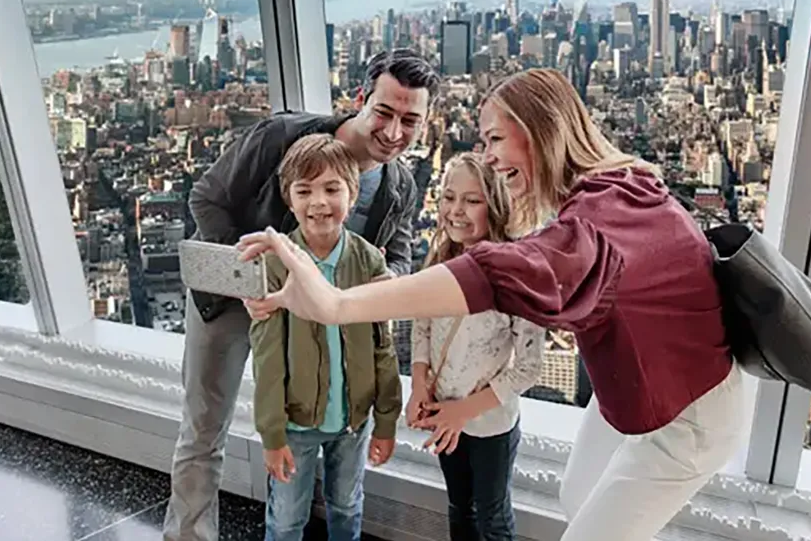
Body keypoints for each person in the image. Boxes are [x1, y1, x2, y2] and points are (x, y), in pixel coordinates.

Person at [238, 68, 746, 541]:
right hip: (639, 388)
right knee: (577, 497)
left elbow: (490, 276)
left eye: (496, 139)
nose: (491, 156)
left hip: (688, 413)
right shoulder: (623, 179)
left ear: (542, 131)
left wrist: (335, 304)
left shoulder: (589, 229)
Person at [163, 48, 438, 541]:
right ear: (360, 99)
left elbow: (398, 253)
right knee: (204, 432)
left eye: (410, 121)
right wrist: (255, 277)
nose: (394, 133)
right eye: (384, 112)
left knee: (302, 432)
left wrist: (388, 280)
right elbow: (207, 198)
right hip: (230, 302)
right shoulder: (280, 137)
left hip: (306, 323)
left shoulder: (398, 185)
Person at [251, 134, 401, 541]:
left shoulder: (369, 260)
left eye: (332, 189)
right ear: (290, 200)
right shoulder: (276, 264)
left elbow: (382, 346)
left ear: (352, 195)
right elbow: (266, 355)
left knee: (348, 506)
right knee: (285, 519)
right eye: (305, 191)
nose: (319, 202)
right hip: (295, 422)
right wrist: (271, 433)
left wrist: (386, 420)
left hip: (354, 421)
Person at [406, 153, 544, 540]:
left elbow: (529, 367)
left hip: (488, 423)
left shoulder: (517, 275)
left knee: (492, 516)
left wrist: (462, 412)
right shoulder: (439, 259)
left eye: (472, 200)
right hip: (442, 408)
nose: (456, 211)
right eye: (449, 197)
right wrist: (419, 382)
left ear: (495, 205)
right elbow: (422, 324)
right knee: (459, 507)